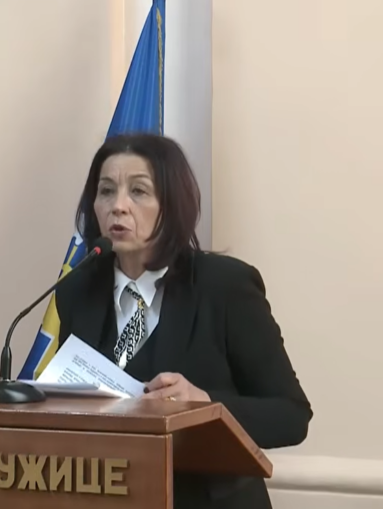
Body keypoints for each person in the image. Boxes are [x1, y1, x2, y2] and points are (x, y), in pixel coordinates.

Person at [54, 133, 312, 509]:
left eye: (138, 191)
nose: (118, 206)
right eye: (106, 191)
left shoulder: (224, 287)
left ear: (172, 204)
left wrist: (204, 405)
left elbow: (291, 416)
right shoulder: (76, 290)